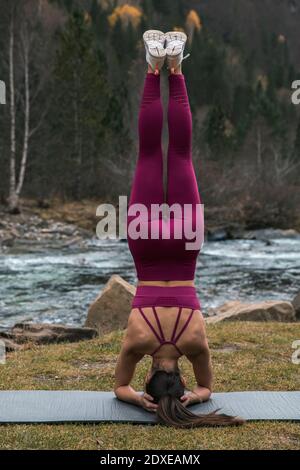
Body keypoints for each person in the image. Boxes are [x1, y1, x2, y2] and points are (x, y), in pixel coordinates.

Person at [114, 30, 244, 428]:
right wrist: (138, 400)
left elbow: (207, 389)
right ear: (149, 377)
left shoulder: (195, 342)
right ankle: (155, 67)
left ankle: (176, 66)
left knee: (182, 153)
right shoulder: (138, 341)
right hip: (145, 241)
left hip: (186, 243)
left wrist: (198, 394)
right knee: (151, 152)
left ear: (180, 379)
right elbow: (120, 388)